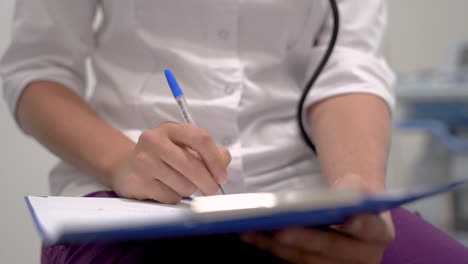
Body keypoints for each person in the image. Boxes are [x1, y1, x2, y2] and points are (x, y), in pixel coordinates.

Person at [1, 1, 467, 263]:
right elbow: (38, 68)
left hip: (306, 194)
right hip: (132, 199)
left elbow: (350, 63)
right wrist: (122, 162)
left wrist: (358, 192)